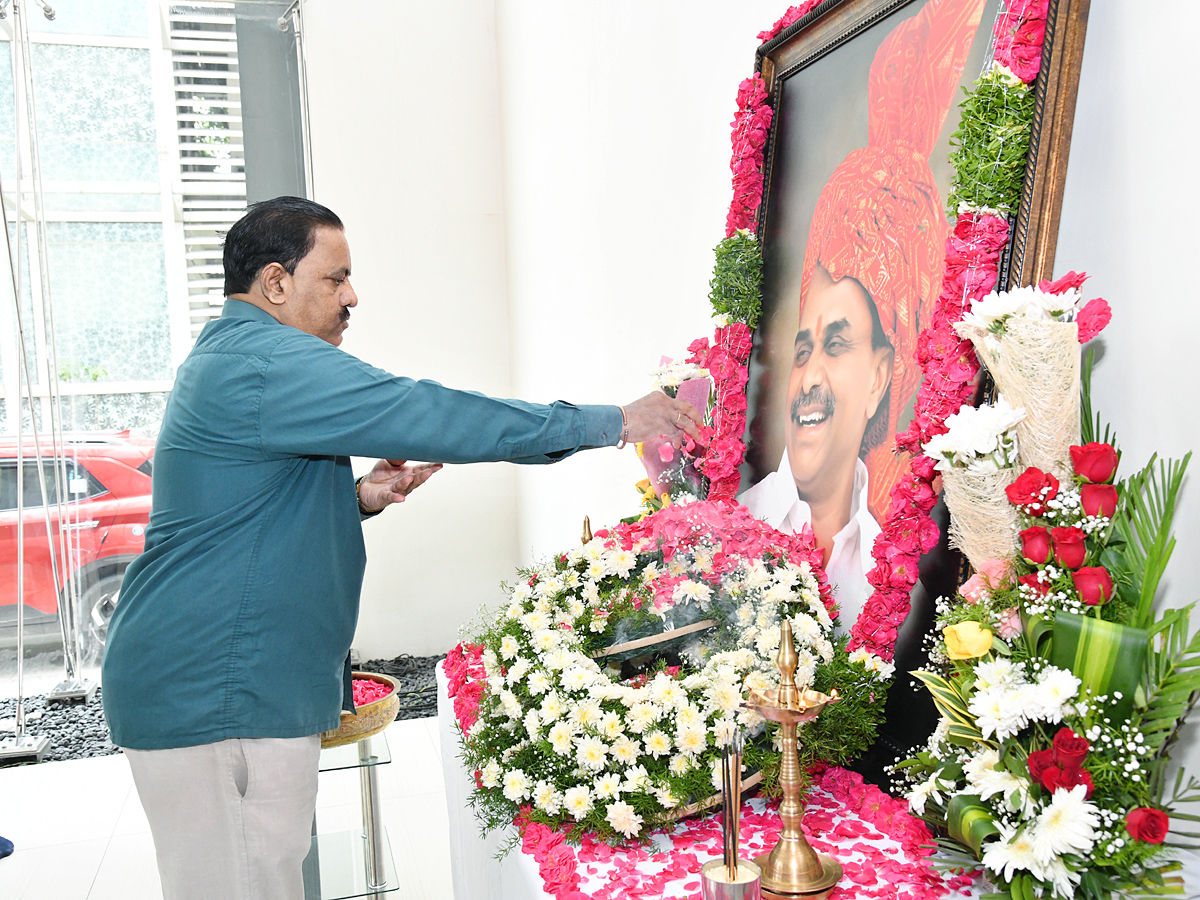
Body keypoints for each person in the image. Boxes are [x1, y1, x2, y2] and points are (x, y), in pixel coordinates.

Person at [101, 196, 702, 900]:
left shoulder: (239, 361)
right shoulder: (264, 364)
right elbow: (427, 412)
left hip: (216, 680)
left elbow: (238, 510)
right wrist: (615, 422)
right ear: (274, 283)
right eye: (336, 278)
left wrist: (355, 499)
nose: (352, 297)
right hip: (216, 689)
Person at [740, 0, 987, 631]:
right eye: (803, 348)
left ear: (882, 375)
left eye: (837, 345)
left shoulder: (894, 566)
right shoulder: (734, 528)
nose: (809, 376)